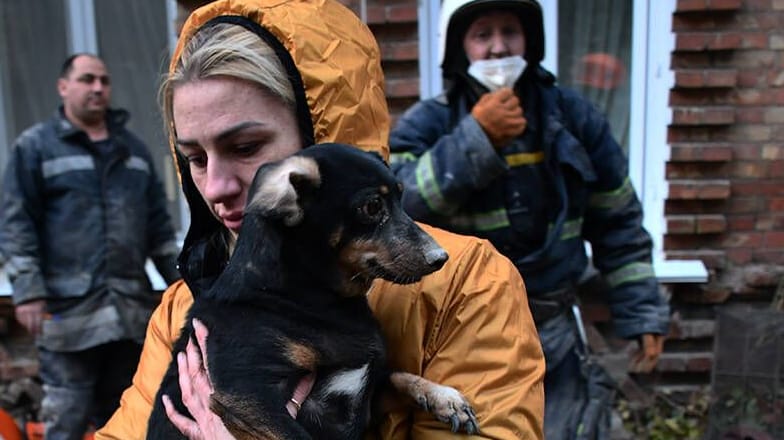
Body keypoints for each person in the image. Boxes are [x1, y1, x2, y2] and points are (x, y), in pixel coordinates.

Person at [94, 1, 545, 439]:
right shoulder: (182, 307)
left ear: (324, 138)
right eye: (194, 157)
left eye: (247, 147)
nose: (213, 187)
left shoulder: (466, 287)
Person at [388, 1, 670, 439]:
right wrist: (475, 141)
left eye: (510, 32)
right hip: (467, 332)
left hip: (553, 328)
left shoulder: (574, 119)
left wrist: (642, 313)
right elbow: (398, 213)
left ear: (530, 41)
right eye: (483, 35)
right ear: (460, 47)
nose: (499, 48)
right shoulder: (429, 124)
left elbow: (619, 220)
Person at [0, 53, 181, 440]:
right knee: (65, 418)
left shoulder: (132, 151)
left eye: (104, 80)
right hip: (67, 318)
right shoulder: (36, 148)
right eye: (86, 79)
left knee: (128, 419)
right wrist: (27, 290)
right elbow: (16, 223)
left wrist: (183, 284)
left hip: (128, 315)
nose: (97, 87)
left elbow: (159, 228)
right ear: (63, 86)